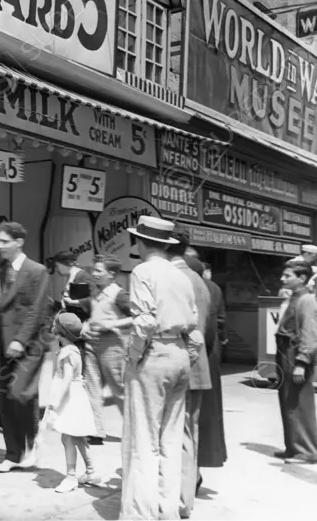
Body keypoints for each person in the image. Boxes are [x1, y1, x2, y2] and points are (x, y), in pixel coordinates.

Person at [120, 216, 204, 521]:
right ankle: (168, 509)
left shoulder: (142, 271)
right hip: (180, 353)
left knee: (143, 438)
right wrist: (187, 356)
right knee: (170, 437)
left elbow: (144, 321)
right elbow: (193, 326)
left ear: (141, 243)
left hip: (153, 354)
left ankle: (139, 514)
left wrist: (133, 358)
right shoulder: (182, 275)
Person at [0, 222, 52, 473]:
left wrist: (20, 339)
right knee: (6, 398)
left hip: (30, 344)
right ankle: (14, 454)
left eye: (4, 241)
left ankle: (33, 444)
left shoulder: (37, 271)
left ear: (19, 242)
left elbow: (38, 309)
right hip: (4, 343)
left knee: (21, 394)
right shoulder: (4, 270)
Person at [168, 228, 211, 520]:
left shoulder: (178, 278)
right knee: (187, 432)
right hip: (194, 365)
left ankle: (182, 498)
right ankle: (187, 490)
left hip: (183, 365)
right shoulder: (197, 279)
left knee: (179, 434)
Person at [45, 312, 101, 493]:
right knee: (78, 437)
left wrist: (56, 401)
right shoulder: (74, 350)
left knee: (68, 437)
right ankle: (91, 471)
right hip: (75, 398)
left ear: (59, 331)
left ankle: (71, 477)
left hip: (69, 400)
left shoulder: (67, 353)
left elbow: (67, 378)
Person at [54, 250, 103, 445]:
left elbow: (95, 298)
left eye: (58, 265)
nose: (56, 270)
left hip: (80, 334)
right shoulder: (75, 277)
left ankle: (90, 427)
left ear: (64, 264)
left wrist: (76, 302)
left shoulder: (82, 276)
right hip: (73, 332)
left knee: (77, 377)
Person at [81, 254, 132, 433]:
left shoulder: (120, 294)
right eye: (93, 269)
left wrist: (112, 324)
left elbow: (138, 317)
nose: (93, 274)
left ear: (111, 274)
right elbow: (92, 315)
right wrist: (87, 325)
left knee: (118, 388)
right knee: (91, 388)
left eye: (98, 270)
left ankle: (133, 431)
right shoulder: (95, 292)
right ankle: (95, 431)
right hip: (92, 343)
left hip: (112, 345)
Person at [273, 263, 317, 464]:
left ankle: (306, 451)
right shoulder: (292, 297)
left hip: (294, 353)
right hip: (284, 351)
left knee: (299, 403)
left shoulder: (306, 300)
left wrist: (302, 361)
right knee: (288, 402)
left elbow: (309, 332)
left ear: (301, 278)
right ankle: (293, 446)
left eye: (287, 275)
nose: (283, 278)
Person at [188, 257, 227, 477]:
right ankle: (197, 469)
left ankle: (192, 472)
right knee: (205, 415)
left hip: (197, 355)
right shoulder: (212, 287)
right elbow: (218, 323)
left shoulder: (192, 285)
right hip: (208, 356)